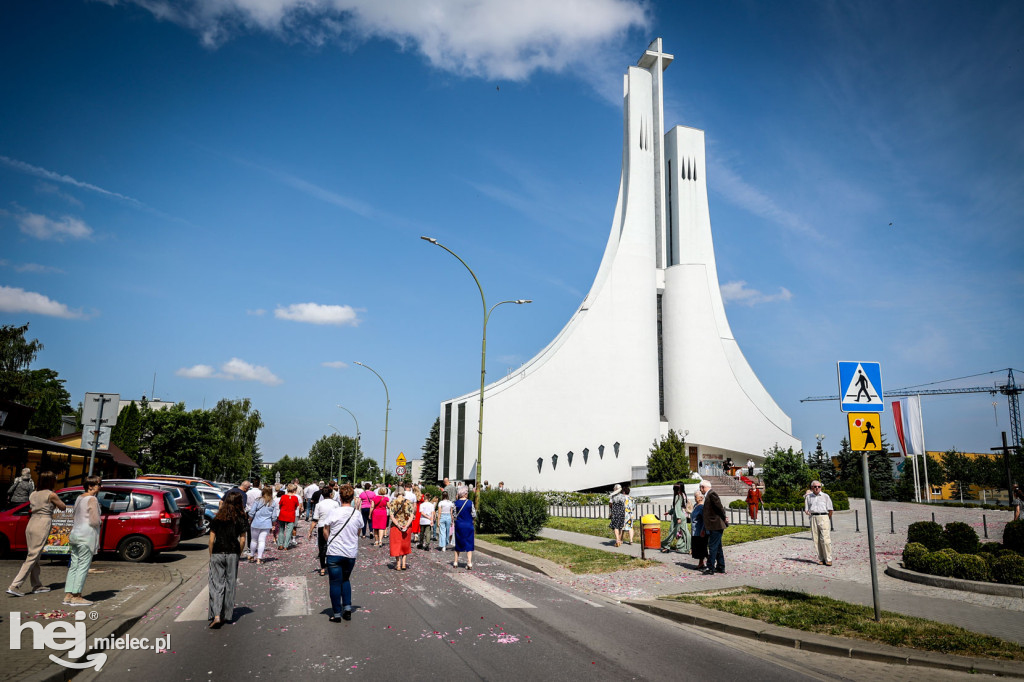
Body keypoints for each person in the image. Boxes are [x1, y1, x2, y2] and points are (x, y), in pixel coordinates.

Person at [8, 471, 67, 596]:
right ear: (51, 481)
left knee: (35, 555)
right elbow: (63, 507)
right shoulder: (51, 494)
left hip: (32, 523)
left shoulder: (33, 494)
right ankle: (15, 585)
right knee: (33, 556)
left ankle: (37, 585)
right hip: (43, 523)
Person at [322, 484, 364, 621]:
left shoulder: (334, 512)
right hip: (350, 553)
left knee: (334, 583)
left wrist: (330, 541)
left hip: (334, 552)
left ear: (340, 497)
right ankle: (347, 607)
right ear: (352, 498)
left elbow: (325, 530)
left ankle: (336, 614)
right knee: (345, 580)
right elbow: (358, 532)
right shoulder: (356, 514)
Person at [208, 490, 247, 629]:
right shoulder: (241, 518)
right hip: (232, 553)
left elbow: (211, 540)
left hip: (218, 552)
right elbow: (242, 540)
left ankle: (216, 615)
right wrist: (239, 553)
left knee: (216, 584)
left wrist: (212, 555)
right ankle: (226, 615)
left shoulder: (217, 517)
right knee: (230, 584)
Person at [63, 475, 102, 606]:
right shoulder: (93, 499)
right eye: (98, 484)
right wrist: (100, 522)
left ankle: (68, 594)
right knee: (83, 566)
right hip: (86, 535)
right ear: (90, 486)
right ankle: (77, 596)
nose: (100, 486)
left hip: (75, 533)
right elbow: (94, 520)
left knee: (74, 565)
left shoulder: (80, 497)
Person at [699, 480, 726, 575]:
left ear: (703, 487)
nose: (700, 490)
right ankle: (720, 567)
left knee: (712, 547)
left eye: (700, 488)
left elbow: (720, 508)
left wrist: (724, 518)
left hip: (716, 525)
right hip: (713, 525)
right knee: (718, 547)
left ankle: (710, 568)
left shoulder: (712, 494)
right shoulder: (709, 495)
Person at [804, 480, 834, 566]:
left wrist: (827, 519)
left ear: (821, 487)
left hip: (824, 517)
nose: (817, 488)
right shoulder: (808, 497)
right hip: (813, 517)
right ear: (812, 488)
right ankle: (821, 558)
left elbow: (830, 509)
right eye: (815, 487)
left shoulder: (825, 496)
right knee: (816, 539)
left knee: (825, 539)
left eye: (819, 486)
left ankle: (828, 558)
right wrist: (809, 513)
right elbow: (806, 509)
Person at [313, 483, 339, 575]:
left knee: (322, 547)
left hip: (322, 526)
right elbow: (338, 516)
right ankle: (332, 565)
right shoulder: (336, 504)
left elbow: (315, 518)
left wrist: (310, 531)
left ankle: (323, 568)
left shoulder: (319, 505)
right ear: (331, 494)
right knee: (332, 546)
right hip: (332, 526)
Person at [248, 486, 275, 564]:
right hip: (266, 524)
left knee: (254, 540)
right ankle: (259, 559)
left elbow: (252, 512)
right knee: (262, 541)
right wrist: (273, 524)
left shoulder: (258, 500)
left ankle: (252, 555)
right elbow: (274, 516)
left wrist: (250, 519)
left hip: (256, 523)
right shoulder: (272, 502)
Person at [388, 489, 414, 570]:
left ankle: (398, 564)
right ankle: (404, 564)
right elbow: (411, 515)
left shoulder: (393, 502)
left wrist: (398, 525)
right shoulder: (409, 502)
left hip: (395, 526)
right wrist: (406, 525)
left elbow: (392, 516)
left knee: (396, 545)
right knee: (405, 544)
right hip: (407, 526)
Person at [661, 483, 690, 554]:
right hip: (683, 515)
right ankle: (689, 547)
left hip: (678, 516)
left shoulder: (677, 496)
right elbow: (678, 507)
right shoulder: (683, 495)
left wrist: (678, 518)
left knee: (672, 532)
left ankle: (665, 546)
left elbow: (677, 507)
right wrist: (669, 512)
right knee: (685, 532)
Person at [451, 486, 476, 569]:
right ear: (465, 494)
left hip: (459, 525)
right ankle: (469, 562)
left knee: (458, 542)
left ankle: (455, 562)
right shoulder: (470, 503)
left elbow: (454, 514)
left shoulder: (456, 503)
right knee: (469, 542)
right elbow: (474, 514)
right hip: (468, 524)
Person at [276, 483, 301, 550]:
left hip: (283, 514)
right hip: (291, 514)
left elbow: (280, 505)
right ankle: (286, 545)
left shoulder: (283, 497)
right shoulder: (295, 498)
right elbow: (296, 507)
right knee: (289, 531)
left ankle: (280, 544)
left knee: (281, 530)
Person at [690, 491, 708, 571]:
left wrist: (703, 529)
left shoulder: (702, 507)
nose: (695, 498)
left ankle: (711, 562)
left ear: (701, 497)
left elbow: (704, 519)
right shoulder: (695, 506)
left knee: (702, 548)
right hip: (694, 530)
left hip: (700, 530)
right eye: (694, 496)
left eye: (696, 496)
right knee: (697, 548)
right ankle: (701, 563)